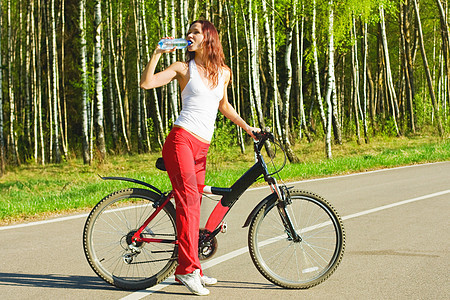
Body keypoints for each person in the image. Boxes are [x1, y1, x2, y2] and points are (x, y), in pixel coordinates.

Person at [140, 20, 259, 296]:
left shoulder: (224, 73)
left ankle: (194, 268)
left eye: (195, 32)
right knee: (189, 204)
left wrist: (248, 128)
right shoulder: (183, 68)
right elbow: (147, 83)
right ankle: (186, 271)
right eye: (188, 32)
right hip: (181, 139)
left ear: (209, 39)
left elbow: (224, 106)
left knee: (194, 209)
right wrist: (157, 53)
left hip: (202, 148)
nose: (189, 35)